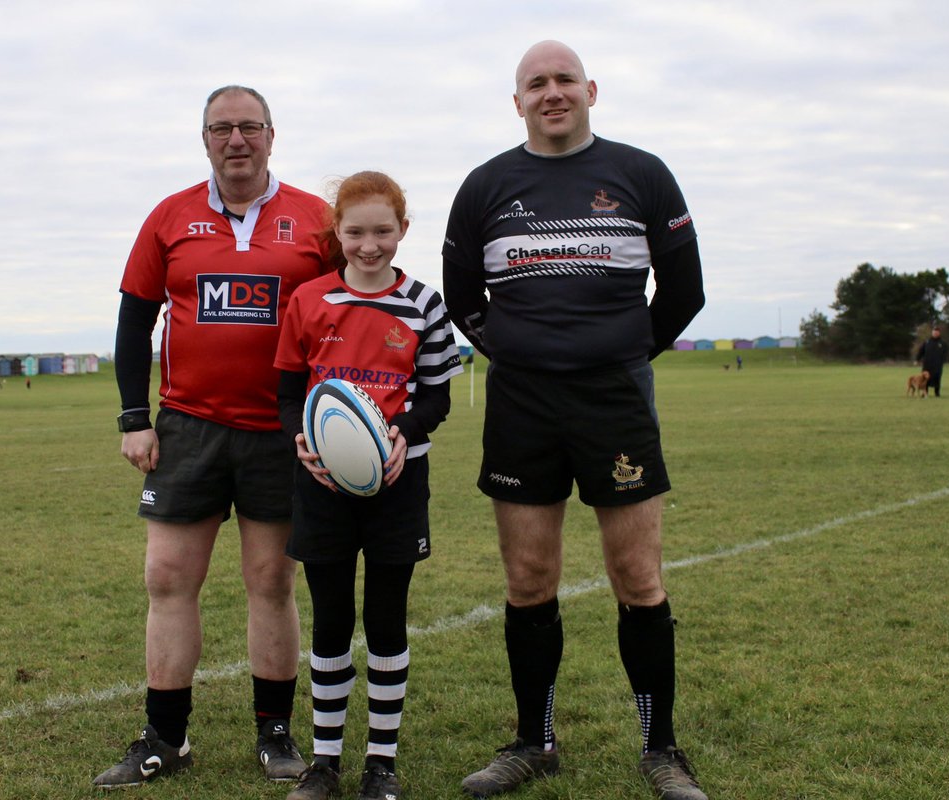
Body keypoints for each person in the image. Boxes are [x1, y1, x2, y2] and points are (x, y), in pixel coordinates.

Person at [442, 41, 708, 800]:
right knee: (529, 578)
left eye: (564, 80)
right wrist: (520, 352)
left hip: (613, 399)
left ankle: (661, 749)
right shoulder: (486, 185)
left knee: (636, 575)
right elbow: (464, 295)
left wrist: (621, 354)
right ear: (517, 100)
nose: (551, 93)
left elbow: (683, 292)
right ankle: (535, 740)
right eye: (536, 83)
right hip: (522, 403)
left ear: (591, 89)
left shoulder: (641, 174)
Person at [94, 85, 333, 790]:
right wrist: (133, 418)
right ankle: (164, 738)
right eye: (221, 128)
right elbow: (135, 323)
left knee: (270, 581)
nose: (236, 140)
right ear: (204, 139)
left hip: (278, 433)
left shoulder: (316, 221)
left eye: (249, 127)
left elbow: (342, 316)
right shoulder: (169, 217)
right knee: (168, 578)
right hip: (188, 430)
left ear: (271, 135)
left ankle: (276, 733)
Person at [274, 171, 464, 800]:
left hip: (398, 481)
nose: (370, 244)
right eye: (355, 232)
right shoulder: (308, 300)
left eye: (384, 231)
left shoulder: (425, 306)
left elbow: (437, 394)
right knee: (330, 620)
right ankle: (324, 762)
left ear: (403, 231)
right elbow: (287, 393)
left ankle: (380, 764)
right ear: (338, 232)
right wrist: (303, 441)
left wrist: (401, 433)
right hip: (323, 482)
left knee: (385, 619)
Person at [916, 325, 947, 397]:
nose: (935, 334)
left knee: (937, 378)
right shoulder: (927, 342)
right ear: (932, 333)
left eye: (937, 332)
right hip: (927, 364)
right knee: (924, 379)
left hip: (937, 365)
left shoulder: (942, 343)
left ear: (939, 333)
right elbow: (921, 351)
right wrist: (917, 359)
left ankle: (937, 392)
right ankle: (925, 392)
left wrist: (942, 361)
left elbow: (945, 353)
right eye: (934, 332)